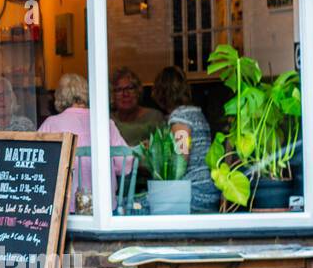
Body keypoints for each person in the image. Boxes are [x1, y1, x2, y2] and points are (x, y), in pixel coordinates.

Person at [38, 73, 133, 209]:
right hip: (104, 208)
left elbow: (36, 166)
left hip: (63, 210)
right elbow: (126, 162)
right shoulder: (104, 123)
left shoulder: (51, 124)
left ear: (59, 96)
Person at [152, 65, 221, 214]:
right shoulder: (197, 114)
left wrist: (152, 154)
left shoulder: (180, 118)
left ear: (161, 93)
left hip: (193, 193)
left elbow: (180, 160)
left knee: (137, 205)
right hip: (210, 190)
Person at [110, 66, 165, 147]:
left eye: (130, 88)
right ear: (112, 95)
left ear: (138, 91)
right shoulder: (108, 120)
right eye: (119, 90)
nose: (125, 94)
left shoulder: (154, 117)